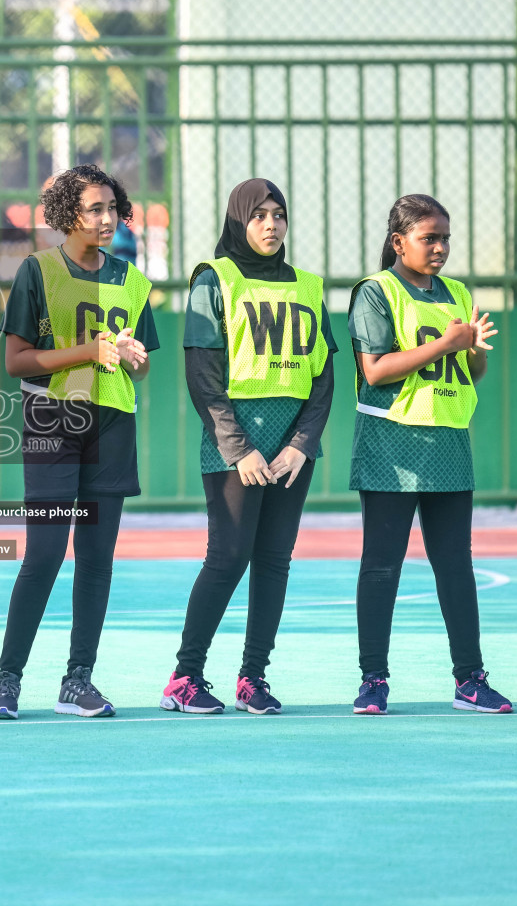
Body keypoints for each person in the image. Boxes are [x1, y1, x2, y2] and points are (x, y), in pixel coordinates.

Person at [0, 164, 158, 720]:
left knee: (97, 559)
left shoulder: (131, 281)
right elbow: (15, 361)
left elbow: (140, 364)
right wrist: (89, 351)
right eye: (95, 209)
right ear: (67, 215)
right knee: (45, 553)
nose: (107, 219)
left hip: (111, 425)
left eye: (113, 208)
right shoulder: (37, 271)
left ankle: (77, 680)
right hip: (52, 421)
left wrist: (135, 359)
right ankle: (7, 679)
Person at [160, 179, 335, 717]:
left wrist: (303, 444)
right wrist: (239, 449)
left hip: (291, 450)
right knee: (228, 556)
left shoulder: (308, 285)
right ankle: (184, 678)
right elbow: (202, 376)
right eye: (258, 215)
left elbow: (324, 375)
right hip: (237, 445)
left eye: (279, 214)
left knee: (275, 562)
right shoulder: (214, 280)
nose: (271, 224)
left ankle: (252, 678)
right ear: (239, 220)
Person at [348, 194, 512, 715]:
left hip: (448, 443)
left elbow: (472, 373)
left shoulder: (458, 293)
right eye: (429, 238)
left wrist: (470, 352)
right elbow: (374, 369)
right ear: (399, 242)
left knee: (455, 567)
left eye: (445, 238)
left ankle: (470, 678)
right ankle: (373, 680)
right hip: (391, 444)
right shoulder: (376, 292)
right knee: (381, 567)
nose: (440, 247)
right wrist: (445, 345)